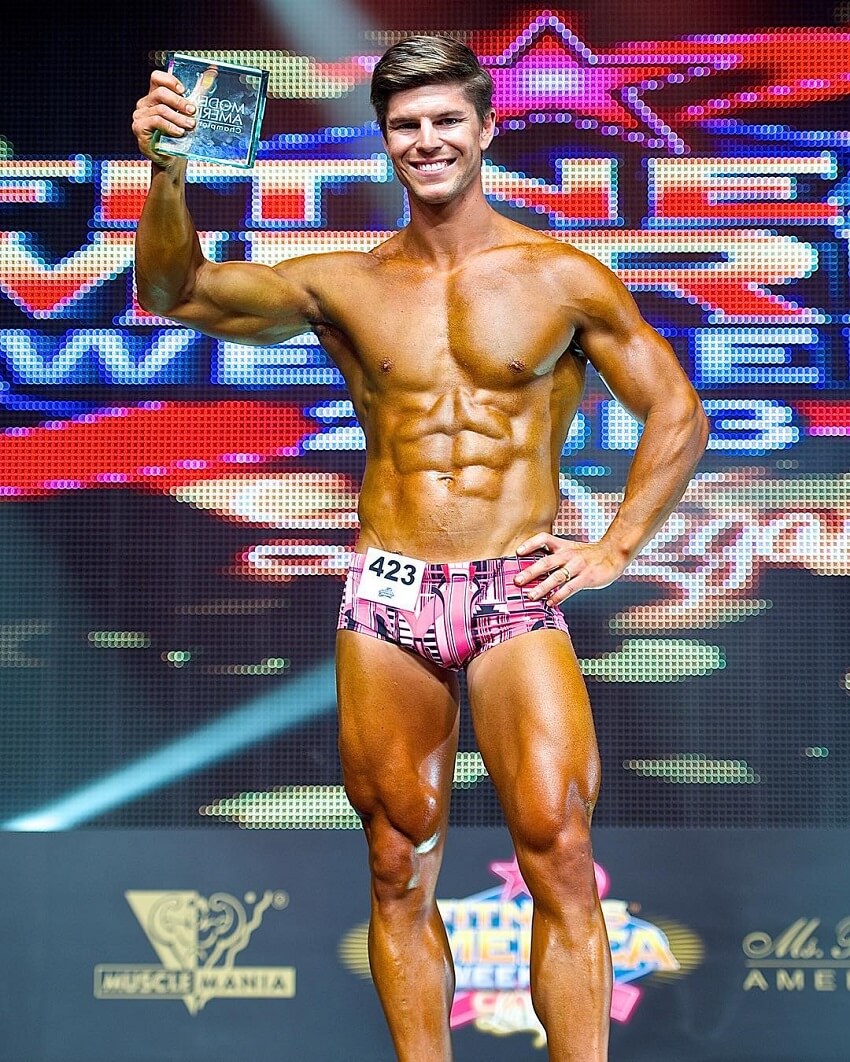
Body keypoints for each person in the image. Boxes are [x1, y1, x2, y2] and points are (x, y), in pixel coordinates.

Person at [132, 34, 708, 1061]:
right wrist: (168, 172)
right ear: (386, 141)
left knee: (562, 852)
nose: (428, 140)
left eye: (448, 120)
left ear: (486, 130)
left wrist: (616, 548)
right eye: (407, 124)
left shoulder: (558, 275)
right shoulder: (341, 282)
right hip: (390, 591)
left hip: (512, 588)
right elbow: (178, 293)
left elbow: (673, 411)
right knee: (397, 864)